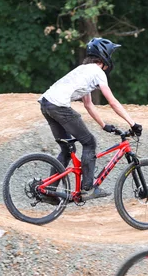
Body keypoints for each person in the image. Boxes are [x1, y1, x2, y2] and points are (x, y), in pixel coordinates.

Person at [38, 37, 142, 200]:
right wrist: (133, 123)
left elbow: (88, 104)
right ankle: (88, 188)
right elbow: (112, 101)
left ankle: (50, 192)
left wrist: (103, 125)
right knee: (89, 142)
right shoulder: (97, 72)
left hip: (46, 104)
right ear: (104, 56)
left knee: (66, 150)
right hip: (58, 106)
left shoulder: (84, 70)